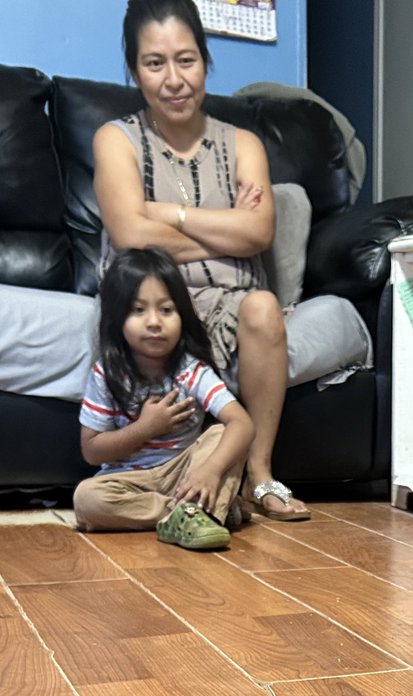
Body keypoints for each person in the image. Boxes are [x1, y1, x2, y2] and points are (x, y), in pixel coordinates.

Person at [92, 0, 310, 520]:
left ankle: (259, 476)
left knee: (262, 305)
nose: (174, 79)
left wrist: (166, 213)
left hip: (236, 305)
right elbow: (128, 234)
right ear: (133, 69)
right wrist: (225, 230)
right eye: (154, 63)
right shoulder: (115, 139)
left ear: (206, 62)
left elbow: (258, 231)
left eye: (186, 60)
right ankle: (175, 492)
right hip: (155, 302)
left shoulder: (243, 144)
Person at [74, 247, 254, 551]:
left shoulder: (192, 371)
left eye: (166, 310)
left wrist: (210, 471)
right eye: (138, 310)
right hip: (129, 481)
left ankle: (198, 507)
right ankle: (195, 512)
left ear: (182, 315)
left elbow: (242, 423)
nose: (154, 322)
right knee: (86, 499)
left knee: (225, 434)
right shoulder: (106, 374)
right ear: (117, 318)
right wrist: (146, 428)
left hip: (187, 473)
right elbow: (92, 451)